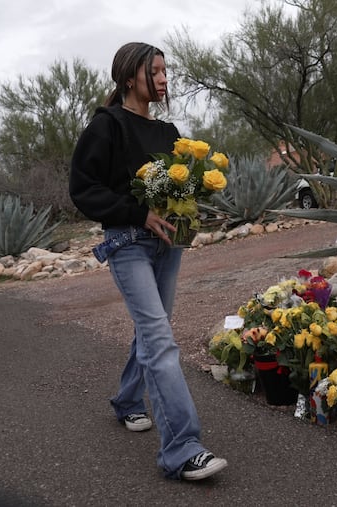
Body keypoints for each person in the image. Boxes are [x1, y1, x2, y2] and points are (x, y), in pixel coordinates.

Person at [69, 42, 227, 481]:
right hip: (128, 242)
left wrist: (190, 208)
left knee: (153, 329)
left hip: (168, 244)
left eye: (164, 71)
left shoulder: (169, 132)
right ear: (128, 76)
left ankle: (126, 400)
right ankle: (182, 448)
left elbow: (178, 190)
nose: (163, 78)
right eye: (154, 71)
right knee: (159, 337)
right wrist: (139, 213)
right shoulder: (107, 126)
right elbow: (83, 188)